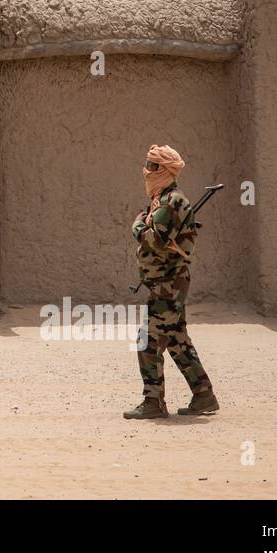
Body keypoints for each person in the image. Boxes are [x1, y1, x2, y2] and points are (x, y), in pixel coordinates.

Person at [123, 144, 218, 419]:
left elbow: (156, 239)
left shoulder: (172, 201)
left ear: (165, 170)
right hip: (165, 282)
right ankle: (204, 395)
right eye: (147, 164)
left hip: (168, 283)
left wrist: (138, 228)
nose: (147, 170)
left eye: (152, 166)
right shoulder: (161, 198)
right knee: (176, 340)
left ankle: (153, 403)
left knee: (147, 341)